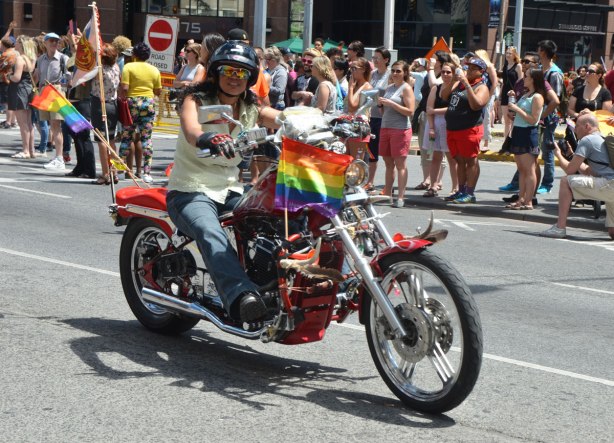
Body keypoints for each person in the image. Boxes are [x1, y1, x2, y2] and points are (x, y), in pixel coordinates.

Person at [166, 41, 281, 325]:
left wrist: (325, 121)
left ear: (250, 78)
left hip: (232, 190)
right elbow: (192, 127)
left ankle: (273, 286)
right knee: (210, 231)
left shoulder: (250, 107)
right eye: (228, 70)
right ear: (216, 71)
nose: (234, 77)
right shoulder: (196, 101)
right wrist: (207, 136)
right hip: (190, 190)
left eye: (242, 73)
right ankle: (241, 297)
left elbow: (282, 118)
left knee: (278, 219)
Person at [540, 113, 614, 239]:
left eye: (577, 126)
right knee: (613, 233)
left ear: (587, 126)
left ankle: (560, 228)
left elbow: (569, 170)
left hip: (609, 186)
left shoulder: (587, 140)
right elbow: (588, 171)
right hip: (610, 186)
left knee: (565, 182)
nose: (575, 129)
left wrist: (558, 154)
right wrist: (571, 155)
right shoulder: (601, 139)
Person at [442, 57, 490, 204]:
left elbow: (477, 105)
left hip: (469, 129)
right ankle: (461, 190)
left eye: (473, 68)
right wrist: (453, 81)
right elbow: (444, 96)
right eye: (468, 67)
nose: (469, 70)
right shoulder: (459, 84)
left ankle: (470, 193)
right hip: (453, 129)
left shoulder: (481, 87)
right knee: (459, 160)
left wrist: (466, 84)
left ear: (481, 72)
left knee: (471, 160)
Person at [118, 42, 161, 184]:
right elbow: (158, 91)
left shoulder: (128, 67)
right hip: (148, 103)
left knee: (126, 137)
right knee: (146, 139)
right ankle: (147, 172)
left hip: (132, 104)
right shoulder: (154, 69)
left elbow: (125, 87)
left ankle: (120, 169)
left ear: (134, 55)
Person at [505, 68, 546, 210]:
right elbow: (521, 116)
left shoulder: (537, 97)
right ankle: (520, 199)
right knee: (521, 169)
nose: (524, 79)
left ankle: (528, 201)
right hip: (518, 132)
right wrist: (513, 111)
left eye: (527, 76)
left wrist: (517, 109)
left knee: (529, 170)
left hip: (528, 133)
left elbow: (534, 120)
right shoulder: (525, 94)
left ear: (534, 79)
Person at [378, 60, 415, 208]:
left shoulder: (406, 88)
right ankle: (388, 194)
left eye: (398, 71)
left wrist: (391, 103)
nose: (394, 73)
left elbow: (410, 111)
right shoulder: (389, 88)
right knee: (388, 163)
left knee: (400, 164)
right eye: (393, 70)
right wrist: (381, 104)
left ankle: (401, 196)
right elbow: (384, 111)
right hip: (386, 126)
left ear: (405, 72)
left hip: (400, 129)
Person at [33, 32, 70, 171]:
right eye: (51, 41)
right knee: (48, 124)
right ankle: (57, 156)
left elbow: (69, 77)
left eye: (56, 41)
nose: (54, 43)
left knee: (56, 125)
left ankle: (60, 157)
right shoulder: (41, 59)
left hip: (56, 91)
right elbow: (37, 76)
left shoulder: (63, 58)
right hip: (44, 91)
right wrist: (34, 82)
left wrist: (62, 86)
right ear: (45, 43)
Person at [424, 61, 458, 198]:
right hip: (435, 126)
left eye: (448, 72)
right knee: (435, 157)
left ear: (454, 73)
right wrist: (431, 127)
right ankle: (433, 186)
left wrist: (435, 110)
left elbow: (452, 108)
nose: (445, 74)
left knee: (452, 158)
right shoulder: (435, 88)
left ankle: (456, 188)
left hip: (449, 125)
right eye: (443, 72)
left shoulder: (456, 89)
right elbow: (428, 109)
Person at [536, 39, 564, 195]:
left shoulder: (555, 73)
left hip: (549, 117)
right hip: (537, 114)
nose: (537, 51)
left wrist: (543, 115)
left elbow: (556, 100)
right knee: (531, 150)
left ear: (543, 52)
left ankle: (547, 183)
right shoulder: (540, 69)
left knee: (547, 150)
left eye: (539, 49)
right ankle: (516, 182)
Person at [90, 43, 121, 185]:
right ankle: (114, 171)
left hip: (100, 103)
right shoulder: (116, 68)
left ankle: (105, 173)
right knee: (111, 139)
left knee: (101, 140)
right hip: (113, 104)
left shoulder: (99, 70)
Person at [364, 46, 391, 192]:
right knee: (371, 150)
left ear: (386, 60)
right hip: (371, 115)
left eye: (378, 58)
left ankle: (388, 184)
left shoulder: (390, 75)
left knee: (386, 152)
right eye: (374, 58)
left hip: (384, 117)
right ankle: (370, 181)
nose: (375, 60)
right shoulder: (373, 74)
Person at [8, 35, 35, 159]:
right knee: (29, 122)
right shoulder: (31, 59)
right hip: (28, 89)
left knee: (22, 123)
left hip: (19, 90)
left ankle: (25, 151)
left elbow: (17, 77)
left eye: (18, 42)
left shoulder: (20, 59)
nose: (16, 44)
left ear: (22, 45)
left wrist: (9, 76)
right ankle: (31, 150)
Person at [345, 56, 372, 160]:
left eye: (354, 68)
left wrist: (350, 88)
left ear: (363, 69)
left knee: (356, 162)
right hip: (349, 125)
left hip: (359, 128)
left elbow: (353, 106)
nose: (352, 71)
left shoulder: (367, 87)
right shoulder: (355, 85)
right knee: (345, 160)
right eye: (351, 68)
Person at [500, 46, 523, 139]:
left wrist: (516, 92)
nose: (508, 55)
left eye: (510, 53)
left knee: (513, 120)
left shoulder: (518, 66)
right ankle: (506, 143)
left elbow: (521, 82)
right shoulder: (504, 66)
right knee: (506, 121)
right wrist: (500, 95)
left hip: (514, 95)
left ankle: (513, 142)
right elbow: (504, 82)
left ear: (514, 55)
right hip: (505, 94)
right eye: (507, 53)